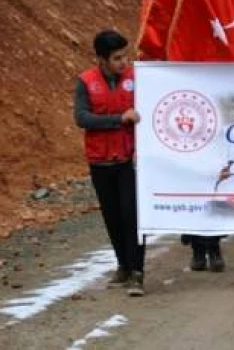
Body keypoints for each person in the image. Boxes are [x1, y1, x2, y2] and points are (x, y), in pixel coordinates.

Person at [73, 30, 147, 296]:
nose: (123, 63)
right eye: (117, 58)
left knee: (133, 216)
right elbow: (82, 118)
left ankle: (138, 271)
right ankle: (123, 266)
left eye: (125, 57)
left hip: (129, 159)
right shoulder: (86, 82)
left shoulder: (137, 78)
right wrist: (118, 119)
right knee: (112, 216)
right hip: (100, 161)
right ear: (101, 60)